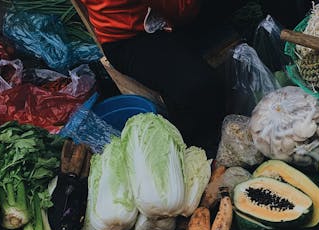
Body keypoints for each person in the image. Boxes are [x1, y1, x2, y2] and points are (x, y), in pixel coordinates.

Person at [81, 0, 241, 153]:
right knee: (198, 88)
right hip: (130, 37)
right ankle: (205, 146)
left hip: (156, 16)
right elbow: (182, 10)